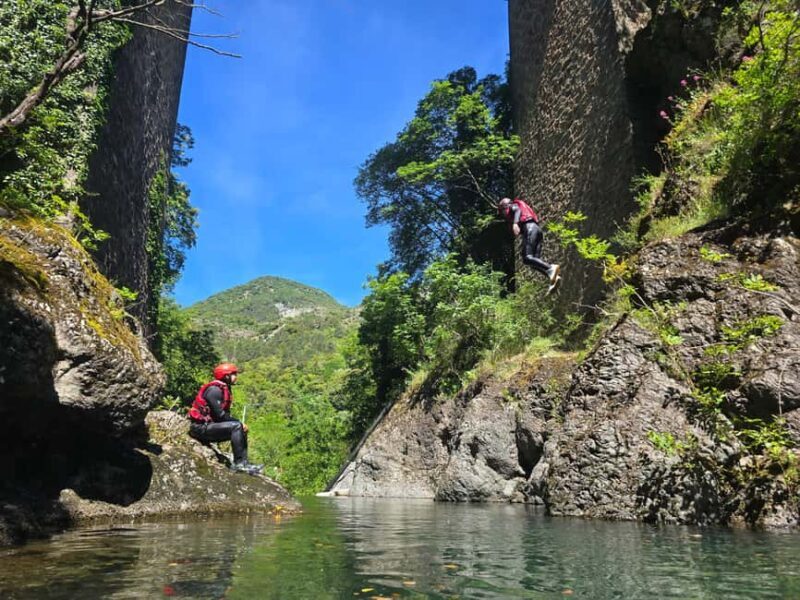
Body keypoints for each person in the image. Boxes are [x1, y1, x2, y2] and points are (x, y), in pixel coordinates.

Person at [188, 363, 263, 475]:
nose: (236, 376)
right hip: (200, 428)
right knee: (237, 426)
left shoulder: (224, 388)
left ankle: (244, 463)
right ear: (226, 376)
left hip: (209, 426)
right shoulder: (214, 390)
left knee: (241, 429)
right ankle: (239, 464)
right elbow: (220, 415)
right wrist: (239, 422)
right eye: (233, 374)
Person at [497, 197, 561, 294]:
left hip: (530, 227)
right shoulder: (517, 209)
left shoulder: (513, 206)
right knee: (534, 263)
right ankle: (554, 277)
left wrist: (515, 224)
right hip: (537, 230)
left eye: (502, 211)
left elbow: (516, 209)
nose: (503, 215)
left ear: (505, 206)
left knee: (527, 257)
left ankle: (551, 268)